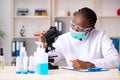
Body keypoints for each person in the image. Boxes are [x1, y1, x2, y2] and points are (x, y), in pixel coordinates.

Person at [40, 7, 120, 69]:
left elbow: (115, 60)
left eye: (79, 29)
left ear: (90, 29)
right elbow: (48, 60)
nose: (74, 29)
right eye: (73, 24)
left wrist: (89, 64)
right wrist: (43, 46)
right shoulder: (64, 39)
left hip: (97, 77)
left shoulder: (100, 36)